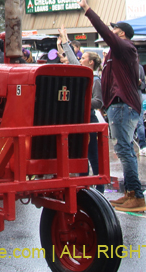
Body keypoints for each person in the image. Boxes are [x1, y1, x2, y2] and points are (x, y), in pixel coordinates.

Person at [77, 0, 146, 212]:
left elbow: (105, 31)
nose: (112, 32)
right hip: (119, 105)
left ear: (122, 33)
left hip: (122, 105)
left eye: (115, 30)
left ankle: (136, 196)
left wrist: (87, 10)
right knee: (124, 149)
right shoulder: (117, 54)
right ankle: (130, 194)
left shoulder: (124, 47)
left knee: (124, 150)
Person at [59, 25, 105, 191]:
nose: (80, 58)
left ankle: (99, 189)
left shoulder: (95, 80)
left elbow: (98, 102)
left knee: (93, 154)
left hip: (89, 120)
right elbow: (71, 59)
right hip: (78, 119)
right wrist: (65, 39)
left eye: (84, 57)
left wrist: (82, 101)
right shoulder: (81, 74)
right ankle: (84, 186)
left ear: (91, 62)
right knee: (81, 155)